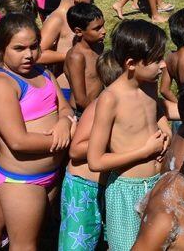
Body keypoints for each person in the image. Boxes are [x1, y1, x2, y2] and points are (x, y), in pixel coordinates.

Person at [0, 14, 75, 250]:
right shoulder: (2, 83)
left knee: (34, 237)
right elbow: (18, 141)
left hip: (49, 174)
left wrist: (64, 122)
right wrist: (61, 139)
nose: (29, 54)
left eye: (34, 46)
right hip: (22, 181)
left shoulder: (43, 73)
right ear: (1, 49)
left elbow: (65, 107)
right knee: (24, 246)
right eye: (19, 48)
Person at [87, 19, 171, 251]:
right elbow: (96, 161)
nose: (163, 65)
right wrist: (145, 151)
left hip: (156, 184)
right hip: (126, 191)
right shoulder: (111, 99)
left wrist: (166, 134)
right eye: (156, 60)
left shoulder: (150, 85)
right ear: (131, 63)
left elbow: (157, 115)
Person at [59, 51, 123, 251]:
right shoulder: (99, 105)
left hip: (107, 186)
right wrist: (112, 140)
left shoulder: (128, 104)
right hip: (83, 186)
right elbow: (76, 150)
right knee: (76, 246)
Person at [38, 0, 98, 77]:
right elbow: (38, 54)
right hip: (66, 87)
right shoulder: (56, 19)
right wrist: (70, 55)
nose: (92, 2)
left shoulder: (79, 16)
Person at [63, 3, 106, 116]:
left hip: (97, 105)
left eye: (103, 25)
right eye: (97, 29)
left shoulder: (99, 46)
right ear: (78, 31)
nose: (104, 31)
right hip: (82, 112)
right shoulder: (76, 57)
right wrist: (100, 114)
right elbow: (80, 99)